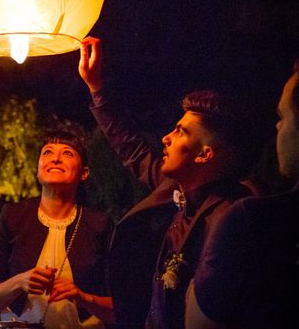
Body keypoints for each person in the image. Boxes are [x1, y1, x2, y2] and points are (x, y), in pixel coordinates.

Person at [77, 37, 254, 329]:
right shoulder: (174, 188)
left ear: (204, 154)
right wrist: (97, 88)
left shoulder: (229, 219)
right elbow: (132, 149)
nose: (165, 138)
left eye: (180, 131)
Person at [185, 60, 299, 328]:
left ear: (205, 154)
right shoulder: (175, 196)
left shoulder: (253, 221)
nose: (277, 128)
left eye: (283, 117)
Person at [0, 129, 115, 328]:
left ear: (84, 173)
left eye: (67, 153)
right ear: (38, 167)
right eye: (48, 152)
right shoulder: (13, 215)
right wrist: (19, 282)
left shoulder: (99, 224)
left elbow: (120, 308)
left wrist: (84, 297)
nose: (55, 159)